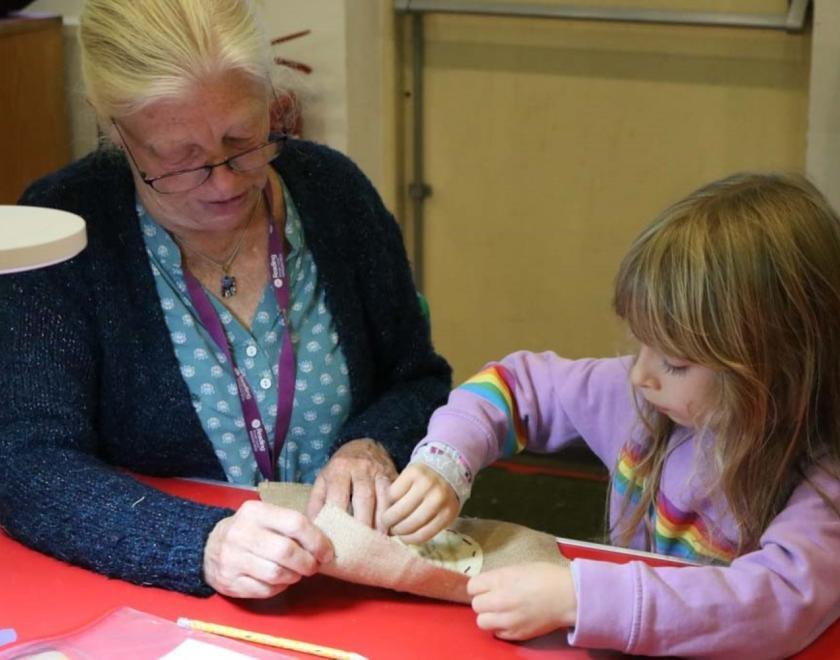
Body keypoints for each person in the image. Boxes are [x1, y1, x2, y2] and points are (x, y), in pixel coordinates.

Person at [0, 0, 450, 600]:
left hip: (354, 587)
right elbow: (26, 462)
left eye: (242, 140)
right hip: (164, 601)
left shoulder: (334, 194)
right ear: (115, 129)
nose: (225, 180)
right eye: (179, 159)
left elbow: (418, 380)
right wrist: (200, 544)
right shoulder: (63, 227)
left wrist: (373, 446)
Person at [382, 173, 840, 657]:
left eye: (674, 362)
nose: (641, 374)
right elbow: (513, 386)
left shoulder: (823, 479)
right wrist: (446, 461)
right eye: (641, 344)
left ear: (778, 367)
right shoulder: (640, 396)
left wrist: (581, 600)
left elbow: (773, 607)